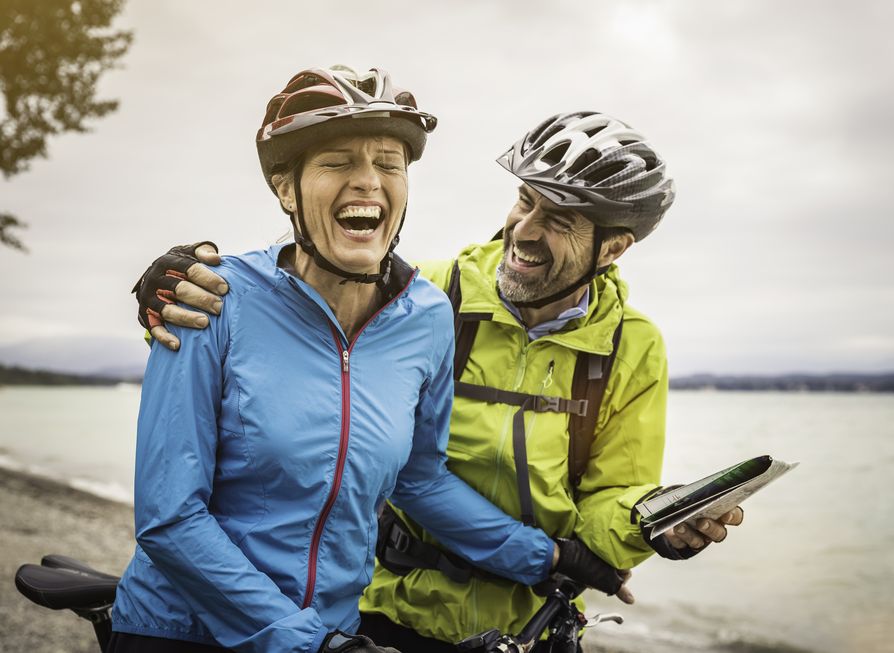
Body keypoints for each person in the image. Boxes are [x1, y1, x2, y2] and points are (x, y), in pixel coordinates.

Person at [132, 110, 745, 652]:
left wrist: (647, 522)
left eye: (559, 219)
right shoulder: (424, 296)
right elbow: (276, 341)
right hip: (384, 608)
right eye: (525, 201)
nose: (525, 230)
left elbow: (600, 496)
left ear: (612, 249)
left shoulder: (625, 345)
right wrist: (172, 292)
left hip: (520, 617)